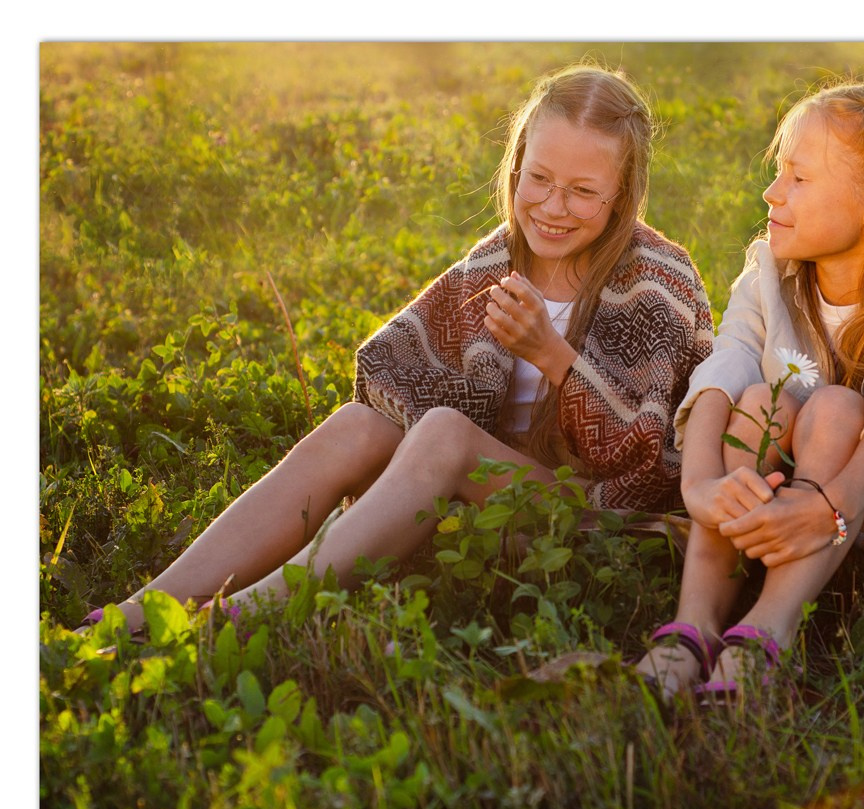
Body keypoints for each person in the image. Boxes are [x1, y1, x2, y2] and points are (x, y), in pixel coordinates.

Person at [81, 64, 712, 634]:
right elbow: (392, 369)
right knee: (360, 424)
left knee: (444, 434)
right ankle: (145, 608)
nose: (552, 206)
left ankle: (239, 617)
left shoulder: (657, 280)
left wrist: (552, 356)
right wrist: (398, 458)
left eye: (583, 191)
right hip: (487, 495)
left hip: (594, 515)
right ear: (517, 164)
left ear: (623, 193)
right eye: (539, 178)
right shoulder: (497, 259)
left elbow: (647, 462)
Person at [635, 79, 864, 699]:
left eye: (799, 178)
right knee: (757, 401)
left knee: (836, 407)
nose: (772, 192)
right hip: (790, 502)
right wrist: (699, 485)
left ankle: (767, 631)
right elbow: (728, 365)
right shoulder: (770, 270)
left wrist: (830, 504)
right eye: (780, 171)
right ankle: (694, 625)